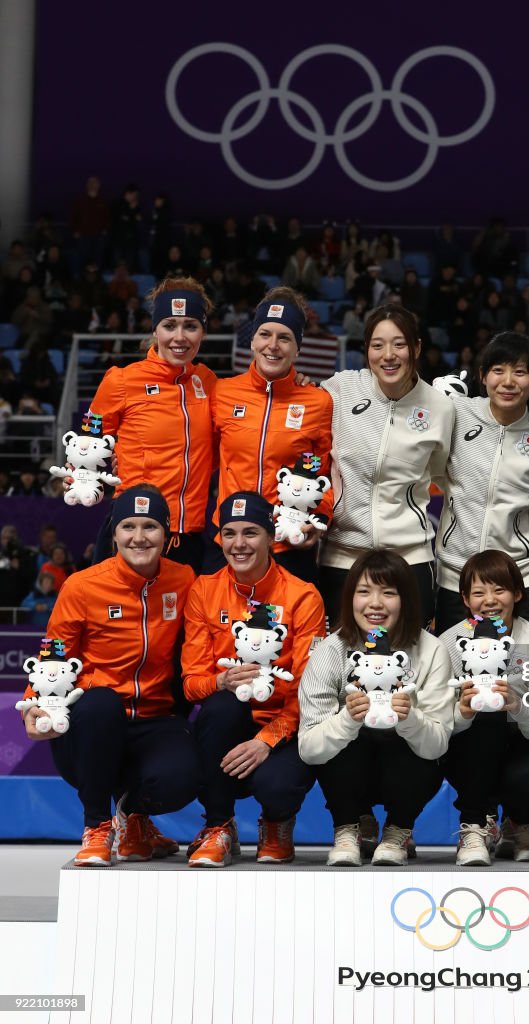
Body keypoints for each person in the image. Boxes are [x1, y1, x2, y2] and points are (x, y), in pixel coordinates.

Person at [19, 485, 200, 866]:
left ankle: (134, 818)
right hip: (91, 728)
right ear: (114, 534)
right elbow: (54, 654)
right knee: (100, 701)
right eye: (128, 527)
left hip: (153, 720)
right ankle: (97, 826)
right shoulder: (83, 585)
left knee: (187, 775)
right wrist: (32, 705)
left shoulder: (184, 580)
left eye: (149, 527)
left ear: (167, 534)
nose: (139, 537)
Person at [181, 492, 327, 866]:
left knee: (276, 787)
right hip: (231, 726)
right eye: (229, 534)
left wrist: (266, 740)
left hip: (285, 728)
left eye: (251, 533)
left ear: (270, 536)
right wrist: (221, 682)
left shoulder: (303, 596)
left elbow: (310, 692)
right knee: (220, 707)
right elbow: (192, 682)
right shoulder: (203, 590)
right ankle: (219, 826)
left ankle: (277, 822)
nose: (239, 544)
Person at [298, 549, 453, 866]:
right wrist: (347, 720)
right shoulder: (331, 650)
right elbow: (309, 749)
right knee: (339, 739)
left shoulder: (432, 650)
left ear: (406, 600)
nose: (375, 604)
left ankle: (399, 830)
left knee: (421, 746)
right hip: (354, 765)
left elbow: (438, 744)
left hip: (404, 765)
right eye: (364, 591)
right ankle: (347, 828)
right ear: (349, 597)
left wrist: (410, 718)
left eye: (389, 593)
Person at [318, 305, 455, 627]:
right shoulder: (341, 389)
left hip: (409, 556)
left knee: (409, 662)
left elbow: (443, 475)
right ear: (366, 351)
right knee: (341, 661)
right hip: (342, 553)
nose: (388, 355)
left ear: (417, 348)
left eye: (399, 344)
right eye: (377, 345)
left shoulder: (441, 407)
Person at [438, 551, 529, 865]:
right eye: (479, 592)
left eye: (499, 590)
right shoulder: (449, 644)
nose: (490, 600)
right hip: (468, 749)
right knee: (481, 719)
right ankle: (475, 825)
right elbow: (436, 725)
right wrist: (463, 712)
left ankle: (522, 824)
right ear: (465, 599)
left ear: (518, 593)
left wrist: (518, 707)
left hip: (524, 746)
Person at [86, 276, 217, 571]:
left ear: (203, 333)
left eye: (191, 326)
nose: (179, 337)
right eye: (170, 325)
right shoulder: (122, 380)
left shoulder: (208, 382)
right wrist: (82, 476)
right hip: (135, 530)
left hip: (189, 537)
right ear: (155, 330)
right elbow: (88, 438)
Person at [433, 332, 529, 632]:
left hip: (520, 575)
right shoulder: (457, 414)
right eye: (498, 370)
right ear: (483, 376)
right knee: (457, 674)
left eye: (520, 372)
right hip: (457, 576)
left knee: (527, 672)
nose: (508, 381)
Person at [208, 287, 334, 583]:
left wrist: (318, 519)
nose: (273, 345)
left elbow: (324, 473)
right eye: (265, 334)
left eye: (284, 337)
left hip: (289, 540)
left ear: (297, 348)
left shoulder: (317, 402)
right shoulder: (223, 392)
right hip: (230, 537)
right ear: (252, 340)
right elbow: (199, 454)